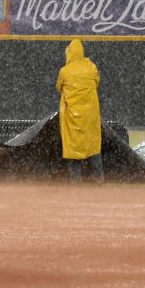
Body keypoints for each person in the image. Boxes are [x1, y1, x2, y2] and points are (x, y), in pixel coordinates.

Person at [55, 38, 103, 181]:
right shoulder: (91, 67)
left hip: (72, 117)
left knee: (73, 148)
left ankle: (76, 181)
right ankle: (99, 179)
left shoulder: (65, 71)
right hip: (90, 116)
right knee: (93, 147)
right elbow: (96, 83)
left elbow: (59, 87)